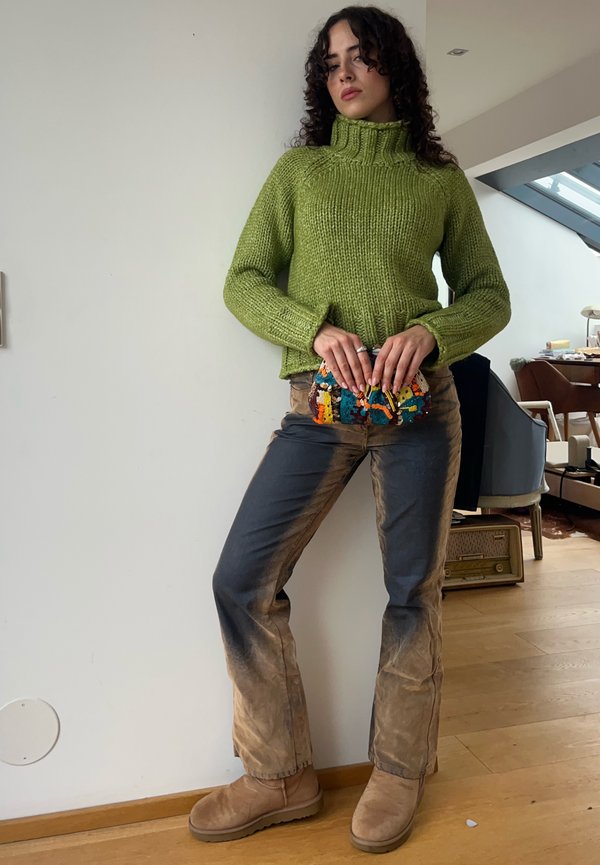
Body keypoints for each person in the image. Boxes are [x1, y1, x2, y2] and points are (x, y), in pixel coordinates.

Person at [189, 5, 510, 854]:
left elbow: (488, 294)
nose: (344, 72)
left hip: (419, 416)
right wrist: (314, 330)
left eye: (361, 56)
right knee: (240, 579)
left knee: (412, 594)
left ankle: (400, 769)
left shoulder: (438, 181)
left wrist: (431, 332)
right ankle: (280, 774)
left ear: (394, 68)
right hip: (319, 412)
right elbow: (244, 279)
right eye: (331, 61)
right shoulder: (300, 172)